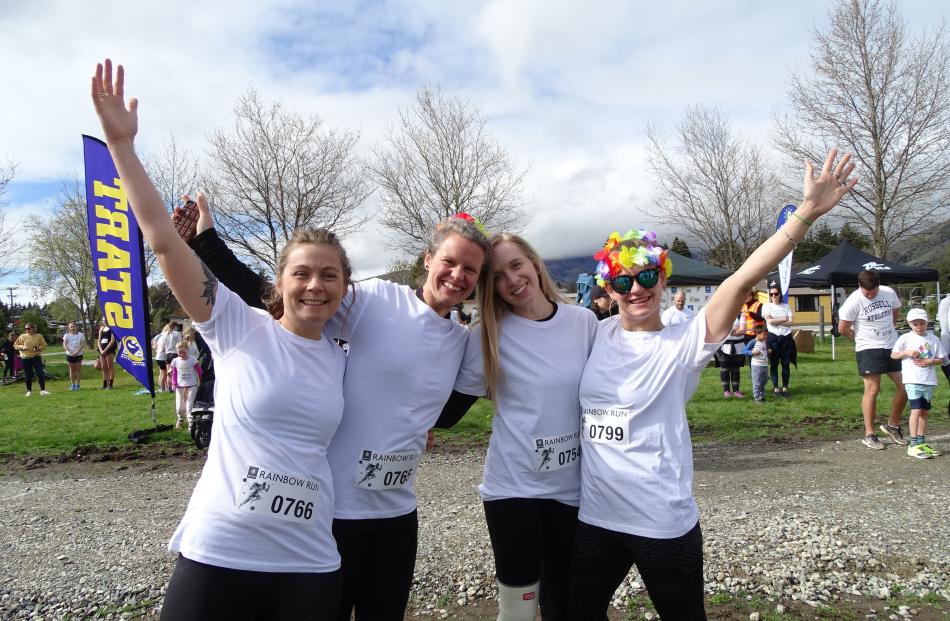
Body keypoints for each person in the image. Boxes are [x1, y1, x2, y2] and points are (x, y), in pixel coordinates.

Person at [92, 58, 350, 620]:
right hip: (220, 551)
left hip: (308, 561)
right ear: (278, 285)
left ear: (344, 286)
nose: (315, 285)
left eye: (330, 275)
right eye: (301, 274)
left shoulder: (343, 355)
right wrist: (122, 148)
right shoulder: (237, 327)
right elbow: (163, 243)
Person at [176, 174, 491, 619]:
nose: (457, 276)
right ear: (428, 259)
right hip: (333, 511)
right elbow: (279, 297)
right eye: (450, 262)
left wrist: (412, 429)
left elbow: (443, 414)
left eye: (470, 270)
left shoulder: (460, 342)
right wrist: (207, 244)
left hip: (396, 515)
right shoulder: (377, 301)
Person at [567, 149, 857, 621]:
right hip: (596, 519)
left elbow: (743, 278)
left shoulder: (685, 340)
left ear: (661, 279)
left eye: (645, 276)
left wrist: (804, 214)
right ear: (609, 288)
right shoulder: (590, 334)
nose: (635, 289)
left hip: (662, 522)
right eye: (623, 281)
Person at [450, 233, 598, 620]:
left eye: (516, 265)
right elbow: (448, 411)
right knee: (518, 609)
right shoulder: (487, 334)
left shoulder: (583, 322)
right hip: (512, 487)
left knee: (564, 602)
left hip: (572, 489)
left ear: (534, 263)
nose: (512, 280)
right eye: (497, 275)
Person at [838, 270, 908, 450]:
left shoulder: (888, 292)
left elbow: (895, 312)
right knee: (873, 388)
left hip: (891, 345)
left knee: (906, 385)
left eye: (873, 291)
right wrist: (859, 340)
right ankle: (870, 433)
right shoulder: (853, 301)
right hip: (868, 348)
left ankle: (892, 425)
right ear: (860, 286)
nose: (870, 295)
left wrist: (890, 330)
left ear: (878, 285)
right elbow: (843, 328)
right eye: (866, 292)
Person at [890, 308, 945, 458]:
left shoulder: (933, 339)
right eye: (915, 324)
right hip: (912, 379)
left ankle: (921, 441)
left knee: (924, 410)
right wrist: (906, 352)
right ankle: (913, 443)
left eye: (922, 323)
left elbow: (942, 358)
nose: (919, 326)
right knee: (916, 409)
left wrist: (930, 361)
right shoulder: (905, 338)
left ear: (927, 322)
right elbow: (894, 355)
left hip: (928, 380)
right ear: (909, 323)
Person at [762, 284, 796, 397]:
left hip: (786, 338)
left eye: (776, 294)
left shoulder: (786, 306)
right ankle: (776, 388)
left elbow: (791, 322)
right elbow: (770, 322)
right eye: (771, 294)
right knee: (774, 364)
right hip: (773, 339)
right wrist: (784, 319)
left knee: (786, 364)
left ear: (780, 294)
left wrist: (776, 321)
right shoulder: (767, 306)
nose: (774, 296)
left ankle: (785, 387)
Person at [170, 342, 203, 431]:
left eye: (184, 352)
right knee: (180, 407)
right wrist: (173, 384)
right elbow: (174, 373)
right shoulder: (175, 361)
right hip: (180, 387)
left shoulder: (193, 359)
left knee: (189, 406)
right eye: (179, 352)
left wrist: (201, 381)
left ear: (188, 350)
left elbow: (199, 372)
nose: (182, 354)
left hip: (192, 386)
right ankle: (180, 419)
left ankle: (191, 424)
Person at [713, 313, 746, 398]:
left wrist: (728, 331)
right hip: (723, 346)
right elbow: (719, 330)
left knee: (736, 368)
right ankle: (726, 391)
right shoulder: (722, 314)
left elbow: (743, 330)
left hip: (738, 345)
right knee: (725, 369)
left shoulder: (741, 315)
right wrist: (735, 330)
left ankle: (736, 391)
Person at [14, 323, 49, 396]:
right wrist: (22, 347)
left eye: (28, 328)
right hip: (26, 358)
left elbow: (44, 345)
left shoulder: (39, 336)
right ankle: (29, 391)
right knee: (28, 375)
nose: (27, 330)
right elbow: (15, 345)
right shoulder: (22, 336)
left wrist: (38, 348)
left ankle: (43, 390)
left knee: (40, 373)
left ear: (33, 328)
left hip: (36, 357)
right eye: (26, 329)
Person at [743, 324, 770, 403]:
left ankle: (762, 396)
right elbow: (744, 351)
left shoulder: (764, 342)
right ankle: (757, 397)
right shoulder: (753, 342)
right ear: (757, 334)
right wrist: (752, 352)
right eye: (764, 335)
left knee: (764, 381)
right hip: (756, 366)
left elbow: (763, 351)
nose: (766, 336)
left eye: (766, 335)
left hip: (764, 365)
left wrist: (768, 351)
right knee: (757, 382)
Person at [62, 321, 86, 391]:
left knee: (78, 370)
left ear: (77, 327)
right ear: (69, 328)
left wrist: (76, 352)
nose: (72, 328)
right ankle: (73, 385)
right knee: (72, 370)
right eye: (71, 327)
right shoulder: (66, 335)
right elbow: (64, 345)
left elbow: (82, 344)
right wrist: (70, 352)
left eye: (74, 326)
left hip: (79, 354)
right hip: (70, 354)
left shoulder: (81, 335)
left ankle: (78, 385)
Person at [97, 319, 117, 390]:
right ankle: (104, 384)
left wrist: (105, 350)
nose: (104, 321)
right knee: (103, 367)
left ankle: (110, 384)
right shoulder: (101, 329)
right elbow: (99, 340)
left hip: (109, 349)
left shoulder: (112, 329)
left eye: (106, 320)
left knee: (110, 366)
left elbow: (112, 341)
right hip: (101, 349)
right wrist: (101, 350)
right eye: (103, 320)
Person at [153, 322, 172, 391]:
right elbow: (163, 348)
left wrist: (158, 349)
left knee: (162, 373)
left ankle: (162, 386)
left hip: (158, 356)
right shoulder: (166, 336)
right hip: (162, 356)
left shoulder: (158, 336)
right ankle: (163, 388)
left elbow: (154, 346)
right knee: (165, 374)